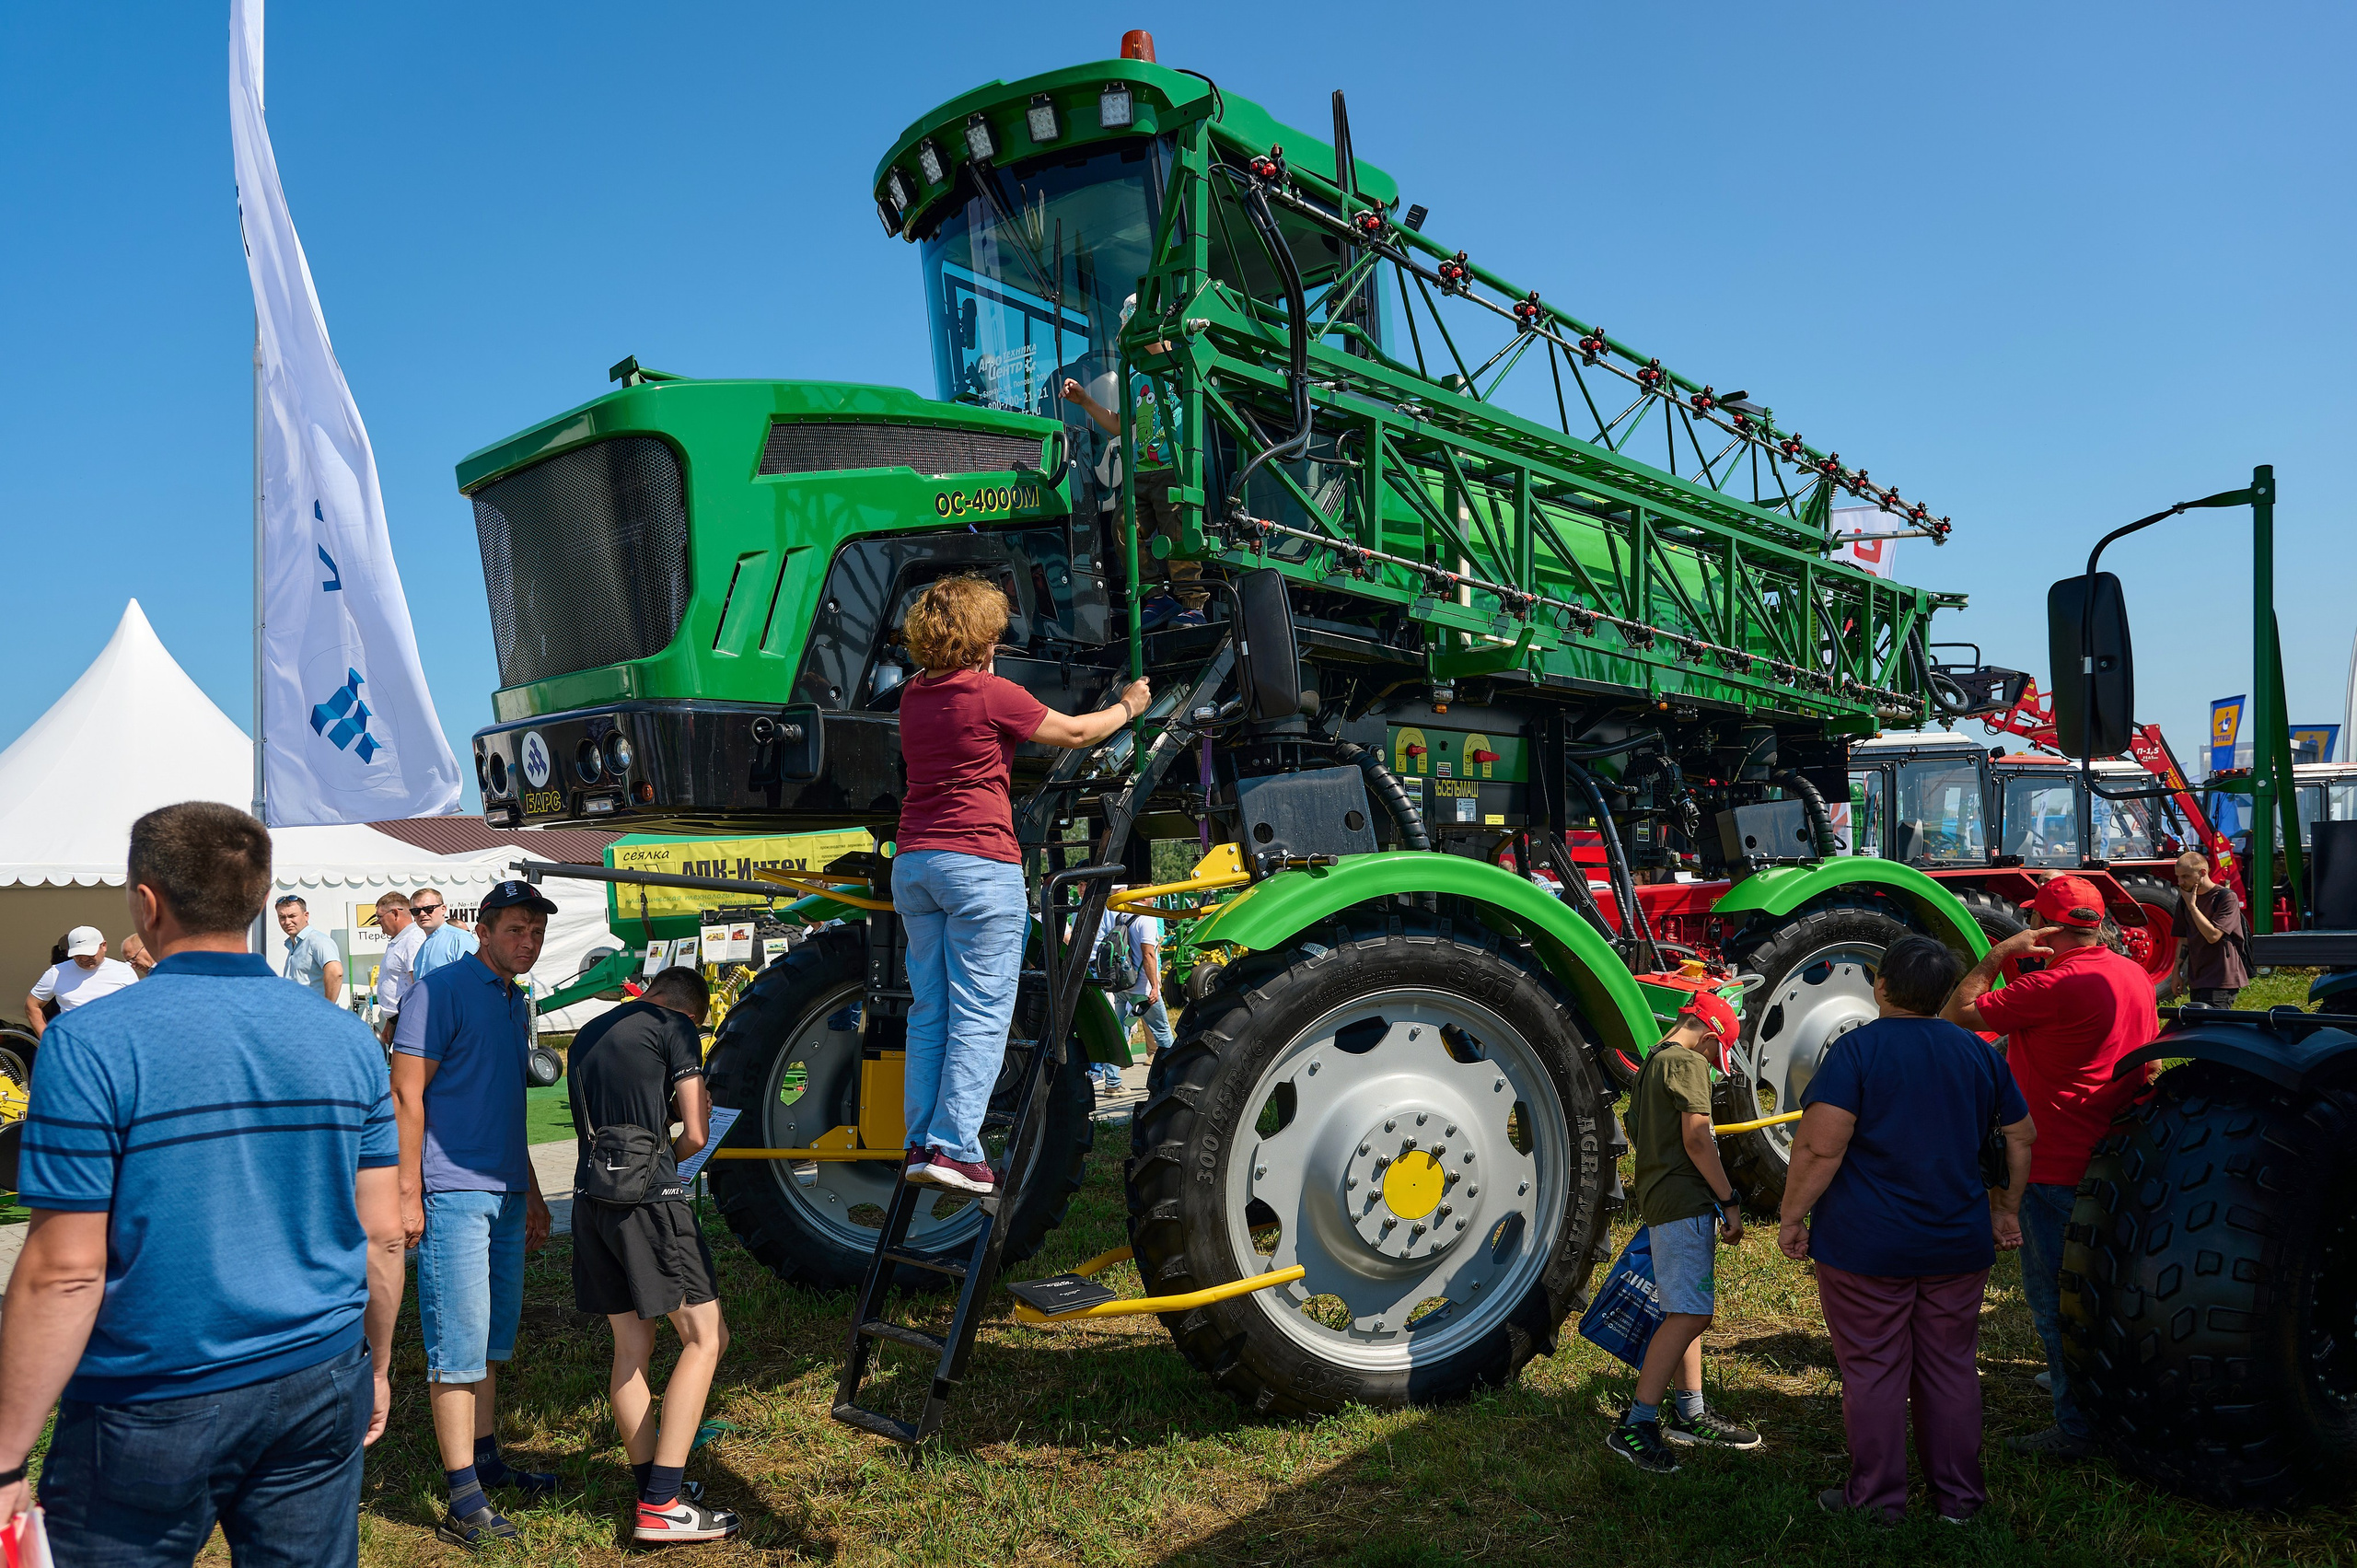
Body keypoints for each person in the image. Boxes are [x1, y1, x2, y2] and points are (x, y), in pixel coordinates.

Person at [0, 801, 404, 1566]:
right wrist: (376, 1368)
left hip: (147, 1395)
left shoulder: (86, 1042)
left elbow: (63, 1271)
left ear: (146, 902)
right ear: (261, 898)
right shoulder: (349, 1040)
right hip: (320, 1373)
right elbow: (382, 1234)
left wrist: (5, 1456)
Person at [893, 575, 1150, 1195]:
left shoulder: (912, 695)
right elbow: (1078, 733)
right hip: (978, 862)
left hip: (916, 861)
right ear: (981, 637)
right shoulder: (990, 693)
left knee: (930, 1010)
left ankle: (921, 1142)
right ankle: (957, 1149)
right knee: (981, 1012)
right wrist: (1130, 706)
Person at [1778, 935, 2038, 1524]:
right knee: (1950, 1367)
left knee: (1873, 1369)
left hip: (1865, 1245)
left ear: (1880, 986)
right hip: (1957, 1242)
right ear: (1945, 993)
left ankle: (1876, 1500)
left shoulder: (1855, 1051)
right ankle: (1959, 1500)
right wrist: (2005, 1210)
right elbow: (2021, 1137)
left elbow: (1819, 1148)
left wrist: (1792, 1217)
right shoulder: (1977, 1053)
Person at [1944, 874, 2158, 1460]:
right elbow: (2140, 1061)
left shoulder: (2052, 984)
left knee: (2054, 1301)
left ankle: (2077, 1425)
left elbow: (1958, 1013)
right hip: (2115, 1156)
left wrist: (1999, 954)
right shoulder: (2133, 974)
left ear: (2043, 927)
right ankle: (2096, 1386)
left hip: (2053, 1162)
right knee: (2104, 1287)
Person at [392, 879, 560, 1548]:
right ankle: (464, 1501)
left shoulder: (514, 1001)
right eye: (516, 929)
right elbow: (406, 1094)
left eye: (537, 932)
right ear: (482, 931)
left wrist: (532, 1190)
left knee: (491, 1342)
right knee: (458, 1348)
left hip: (506, 1193)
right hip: (453, 1194)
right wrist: (408, 1193)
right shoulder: (439, 991)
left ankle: (486, 1463)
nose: (528, 942)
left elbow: (505, 1104)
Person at [567, 965, 740, 1544]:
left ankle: (651, 1490)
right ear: (689, 1010)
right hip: (649, 1201)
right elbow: (695, 1133)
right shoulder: (675, 1026)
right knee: (706, 1338)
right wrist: (681, 1130)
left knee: (631, 1348)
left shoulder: (588, 1033)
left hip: (591, 1201)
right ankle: (663, 1504)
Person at [1603, 992, 1762, 1474]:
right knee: (1691, 1315)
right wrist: (1729, 1199)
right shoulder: (1689, 1064)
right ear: (1710, 1036)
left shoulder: (1651, 1063)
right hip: (1685, 1202)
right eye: (1717, 1054)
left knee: (1683, 1309)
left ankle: (1689, 1412)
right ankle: (1637, 1425)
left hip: (1658, 1198)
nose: (1714, 1065)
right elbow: (1696, 1137)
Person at [1062, 299, 1207, 631]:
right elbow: (1119, 425)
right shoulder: (1135, 376)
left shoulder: (1181, 363)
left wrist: (1150, 338)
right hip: (1141, 472)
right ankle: (1156, 597)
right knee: (1123, 527)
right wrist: (1085, 401)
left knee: (1179, 532)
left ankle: (1193, 604)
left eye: (1133, 328)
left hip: (1175, 469)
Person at [24, 926, 139, 1039]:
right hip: (73, 1045)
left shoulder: (124, 971)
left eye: (90, 954)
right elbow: (32, 1005)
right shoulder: (56, 973)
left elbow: (137, 1009)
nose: (84, 959)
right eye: (78, 955)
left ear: (103, 946)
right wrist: (48, 1041)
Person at [2174, 850, 2249, 1007]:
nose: (2180, 882)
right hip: (2197, 980)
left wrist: (2192, 907)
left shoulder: (2226, 898)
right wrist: (2176, 973)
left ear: (2202, 872)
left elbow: (2213, 935)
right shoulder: (2184, 900)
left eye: (2185, 876)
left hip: (2221, 980)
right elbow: (2184, 940)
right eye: (2178, 877)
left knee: (2213, 1022)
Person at [276, 893, 346, 1005]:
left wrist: (327, 1008)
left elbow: (336, 973)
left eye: (292, 916)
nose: (287, 922)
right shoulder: (295, 945)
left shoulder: (317, 941)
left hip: (313, 1012)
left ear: (306, 916)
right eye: (282, 917)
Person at [374, 890, 421, 1047]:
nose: (378, 922)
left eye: (379, 917)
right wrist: (390, 1023)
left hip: (409, 1022)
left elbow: (419, 985)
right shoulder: (399, 939)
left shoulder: (413, 939)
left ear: (394, 913)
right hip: (399, 1021)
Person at [410, 887, 481, 983]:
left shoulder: (459, 938)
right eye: (416, 911)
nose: (422, 914)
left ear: (443, 909)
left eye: (428, 909)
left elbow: (475, 979)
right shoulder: (422, 949)